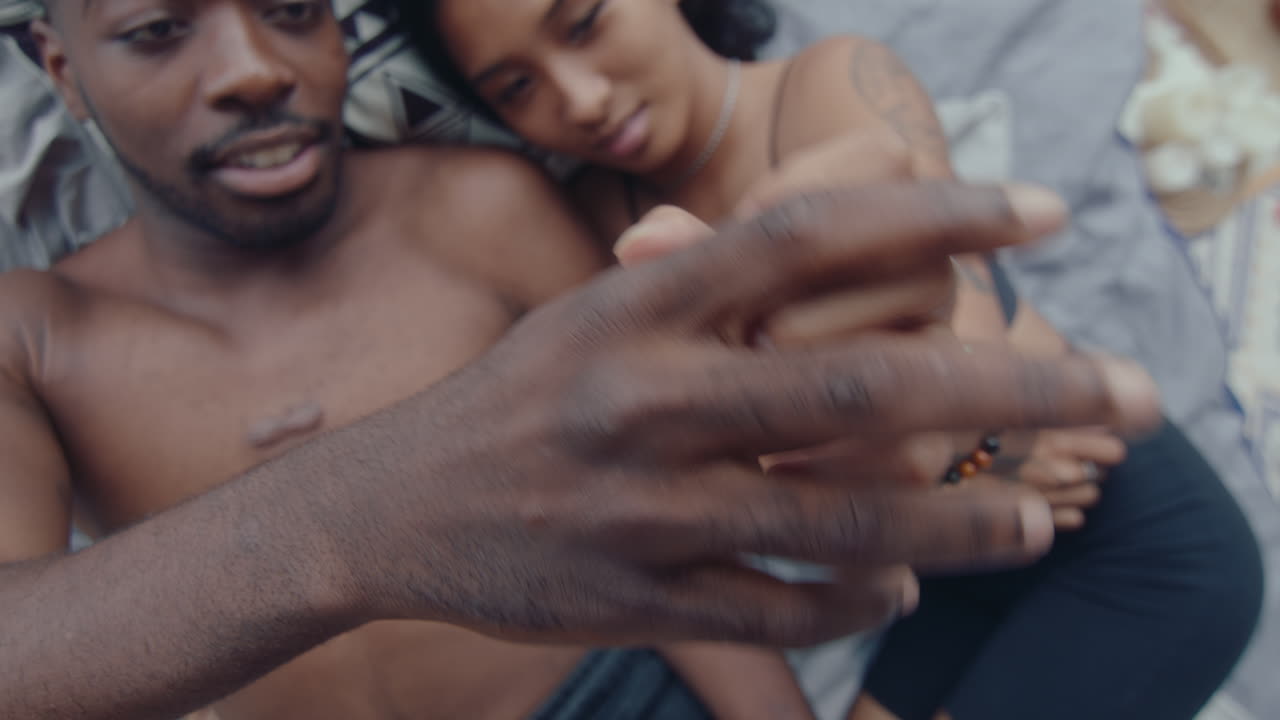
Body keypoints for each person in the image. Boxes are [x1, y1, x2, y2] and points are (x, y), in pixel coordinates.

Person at [0, 1, 1165, 719]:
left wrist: (962, 427)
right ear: (58, 64)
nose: (254, 67)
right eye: (159, 28)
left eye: (295, 6)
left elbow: (670, 523)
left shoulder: (477, 210)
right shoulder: (34, 334)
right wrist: (358, 521)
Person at [406, 0, 1265, 718]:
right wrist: (973, 461)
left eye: (584, 22)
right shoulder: (594, 216)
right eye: (517, 87)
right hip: (947, 561)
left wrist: (976, 449)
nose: (580, 99)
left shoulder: (830, 85)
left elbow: (963, 340)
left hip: (1122, 540)